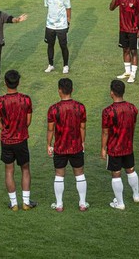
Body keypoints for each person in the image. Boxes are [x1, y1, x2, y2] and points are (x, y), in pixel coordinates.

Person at [0, 70, 37, 211]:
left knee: (9, 171)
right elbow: (28, 121)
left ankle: (13, 204)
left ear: (5, 82)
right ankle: (25, 202)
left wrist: (6, 130)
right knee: (25, 168)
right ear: (18, 82)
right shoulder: (26, 99)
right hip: (21, 139)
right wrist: (20, 130)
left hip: (7, 140)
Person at [46, 78, 87, 212]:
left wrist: (48, 144)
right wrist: (82, 142)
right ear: (72, 90)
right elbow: (82, 127)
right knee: (79, 174)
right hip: (76, 146)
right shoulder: (80, 107)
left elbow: (50, 129)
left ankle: (59, 204)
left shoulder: (53, 109)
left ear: (59, 90)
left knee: (59, 174)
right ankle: (82, 203)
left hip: (60, 147)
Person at [101, 80, 139, 210]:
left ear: (111, 93)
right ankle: (136, 195)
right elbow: (133, 126)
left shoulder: (108, 111)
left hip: (114, 148)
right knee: (131, 170)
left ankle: (120, 203)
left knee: (116, 174)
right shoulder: (132, 108)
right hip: (128, 145)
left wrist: (103, 148)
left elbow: (105, 132)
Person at [109, 0, 139, 83]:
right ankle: (127, 72)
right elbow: (111, 8)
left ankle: (133, 74)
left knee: (134, 51)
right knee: (125, 50)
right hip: (123, 30)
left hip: (133, 30)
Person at [43, 0, 72, 74]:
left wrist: (68, 21)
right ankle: (50, 65)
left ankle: (65, 65)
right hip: (50, 25)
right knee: (50, 45)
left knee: (63, 46)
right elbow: (48, 7)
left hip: (62, 26)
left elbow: (68, 9)